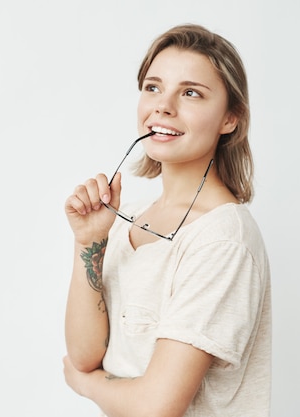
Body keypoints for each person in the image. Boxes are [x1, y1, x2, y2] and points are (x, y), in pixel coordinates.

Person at [62, 23, 271, 417]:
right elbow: (85, 353)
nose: (163, 106)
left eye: (190, 92)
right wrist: (88, 242)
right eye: (153, 87)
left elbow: (156, 407)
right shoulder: (129, 221)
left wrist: (86, 384)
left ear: (231, 118)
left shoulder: (222, 240)